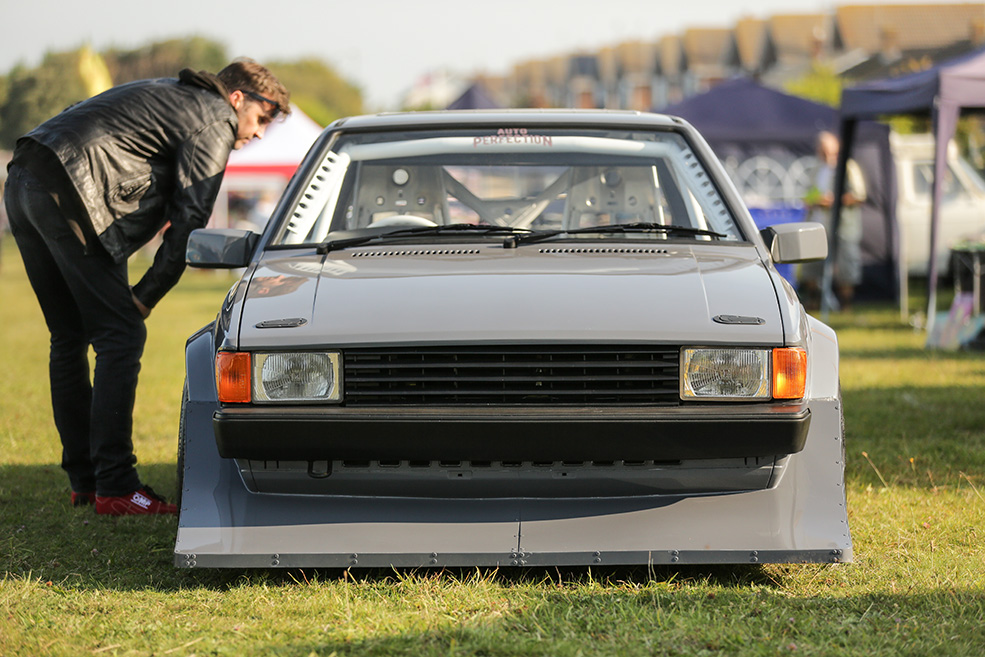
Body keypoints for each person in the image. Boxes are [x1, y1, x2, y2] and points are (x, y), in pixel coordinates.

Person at [3, 59, 289, 515]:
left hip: (25, 175)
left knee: (69, 336)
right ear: (237, 98)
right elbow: (191, 218)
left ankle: (87, 481)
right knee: (122, 333)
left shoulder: (171, 93)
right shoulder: (214, 116)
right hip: (71, 188)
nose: (258, 133)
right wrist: (147, 294)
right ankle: (116, 486)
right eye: (261, 118)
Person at [799, 131, 867, 311]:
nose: (825, 154)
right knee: (810, 267)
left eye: (828, 150)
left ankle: (846, 306)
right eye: (822, 150)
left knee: (846, 267)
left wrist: (833, 201)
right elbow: (808, 195)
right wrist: (813, 200)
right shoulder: (816, 169)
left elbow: (859, 196)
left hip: (843, 227)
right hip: (816, 226)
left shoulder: (848, 167)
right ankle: (813, 304)